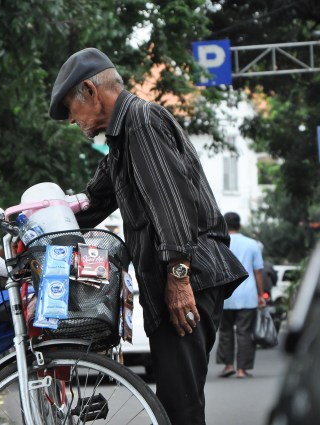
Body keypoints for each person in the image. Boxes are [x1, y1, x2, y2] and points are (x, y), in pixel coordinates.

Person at [49, 47, 248, 425]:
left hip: (191, 277)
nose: (72, 121)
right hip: (175, 279)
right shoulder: (121, 141)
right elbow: (93, 202)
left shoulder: (141, 122)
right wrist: (37, 225)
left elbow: (171, 205)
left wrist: (178, 277)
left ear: (91, 91)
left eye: (71, 110)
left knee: (180, 407)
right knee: (176, 405)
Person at [216, 212, 266, 379]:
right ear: (240, 225)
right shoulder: (252, 244)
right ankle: (242, 370)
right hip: (248, 295)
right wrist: (261, 295)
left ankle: (228, 366)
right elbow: (258, 271)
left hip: (225, 296)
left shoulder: (219, 243)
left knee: (225, 331)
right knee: (244, 333)